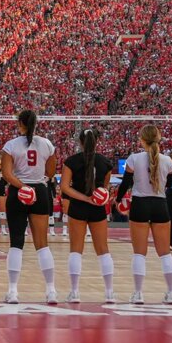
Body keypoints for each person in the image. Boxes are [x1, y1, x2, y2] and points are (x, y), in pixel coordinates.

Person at [115, 124, 172, 304]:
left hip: (140, 204)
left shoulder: (134, 159)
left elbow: (125, 183)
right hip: (160, 204)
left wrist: (118, 200)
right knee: (165, 253)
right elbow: (170, 183)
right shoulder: (167, 160)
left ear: (142, 140)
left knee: (139, 254)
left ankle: (138, 293)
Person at [1, 110, 58, 304]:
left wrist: (23, 187)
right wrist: (35, 184)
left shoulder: (11, 145)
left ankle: (13, 291)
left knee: (16, 242)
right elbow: (51, 171)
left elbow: (7, 174)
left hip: (19, 192)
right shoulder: (47, 144)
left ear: (20, 124)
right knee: (42, 244)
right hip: (40, 192)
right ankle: (51, 291)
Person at [59, 128, 115, 303]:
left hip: (78, 207)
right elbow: (105, 189)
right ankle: (109, 292)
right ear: (96, 141)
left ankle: (74, 292)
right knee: (103, 250)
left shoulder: (71, 161)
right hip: (98, 208)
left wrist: (85, 198)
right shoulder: (105, 163)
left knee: (76, 249)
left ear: (80, 142)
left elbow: (65, 187)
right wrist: (98, 198)